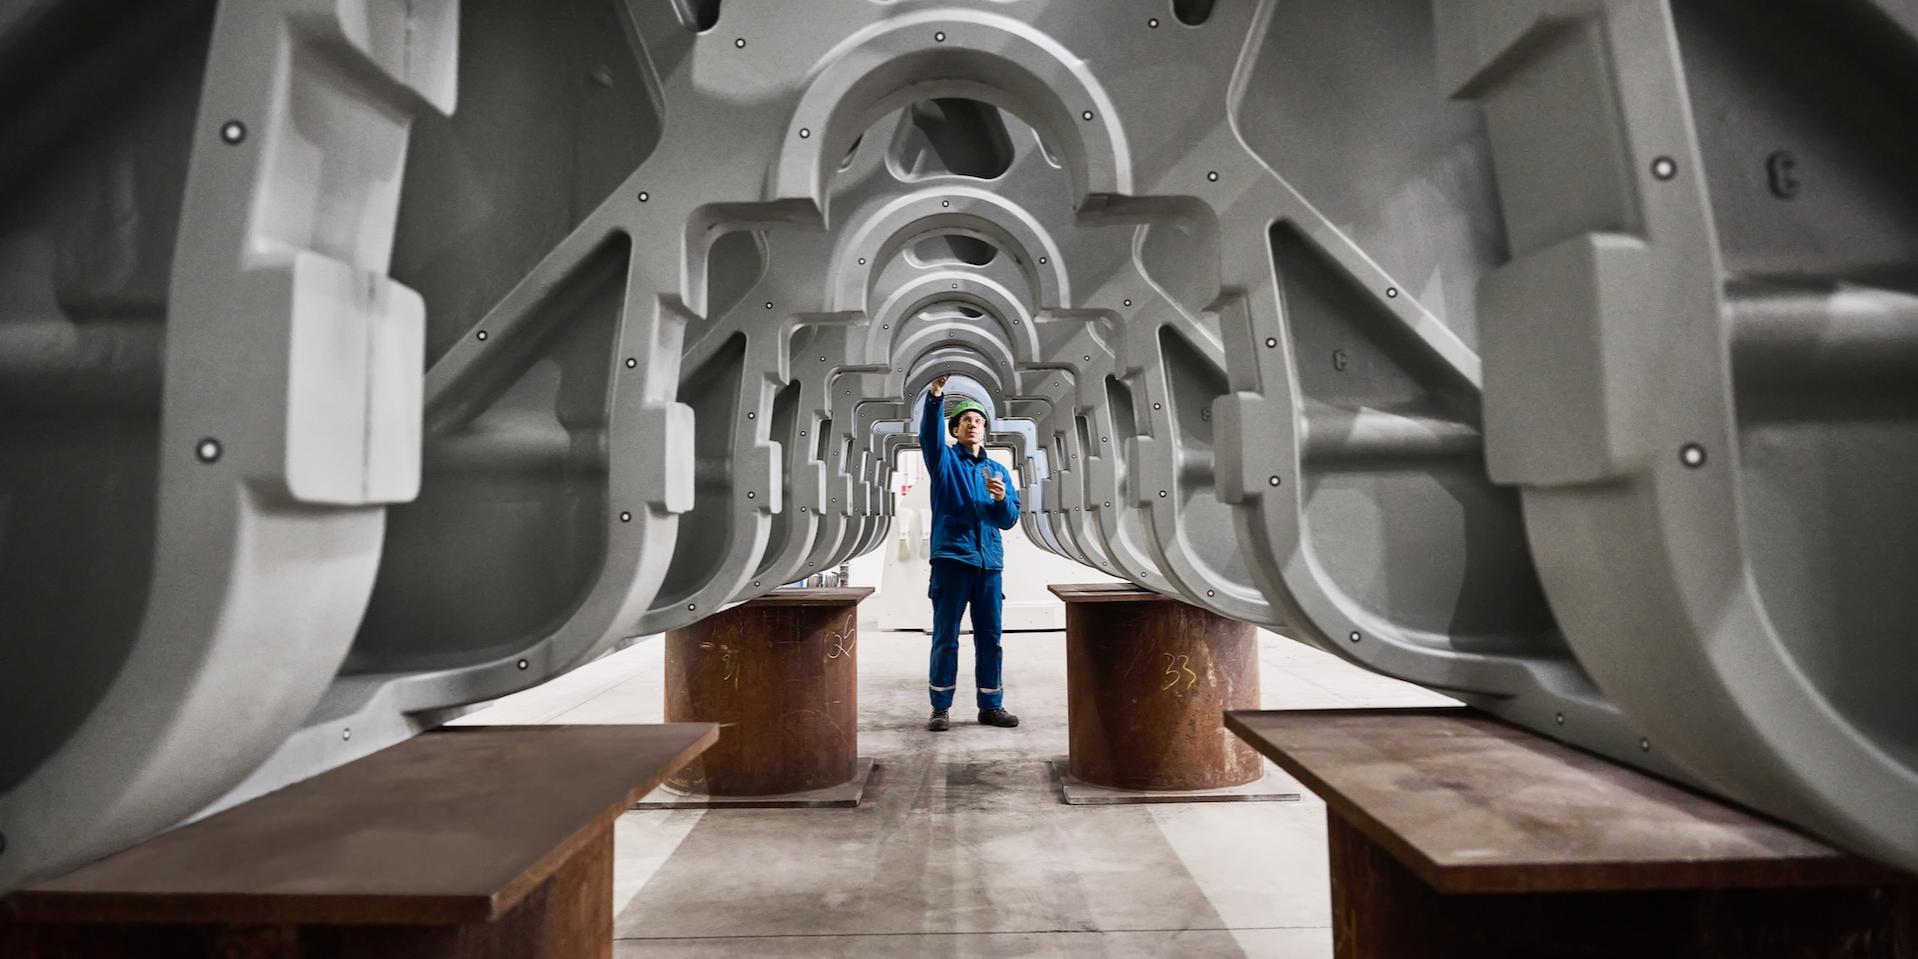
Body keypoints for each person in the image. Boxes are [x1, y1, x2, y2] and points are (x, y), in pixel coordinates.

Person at [919, 375, 1021, 732]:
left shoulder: (998, 471)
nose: (973, 425)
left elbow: (1009, 520)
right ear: (955, 429)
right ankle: (940, 708)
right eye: (966, 420)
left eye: (978, 420)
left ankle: (991, 706)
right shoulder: (945, 462)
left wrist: (1001, 499)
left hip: (989, 565)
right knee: (946, 637)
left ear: (985, 430)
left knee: (990, 638)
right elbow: (929, 439)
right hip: (952, 560)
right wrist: (935, 397)